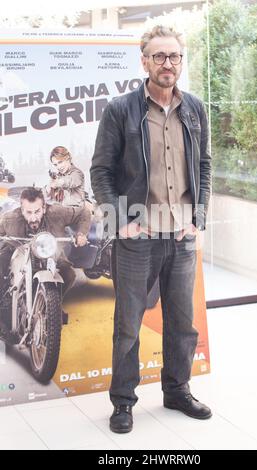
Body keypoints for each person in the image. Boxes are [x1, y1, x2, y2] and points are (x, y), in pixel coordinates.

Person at [90, 25, 212, 434]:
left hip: (181, 238)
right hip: (137, 240)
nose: (167, 64)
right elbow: (101, 171)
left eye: (174, 56)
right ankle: (123, 401)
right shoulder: (121, 109)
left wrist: (199, 217)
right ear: (144, 61)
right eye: (158, 56)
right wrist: (120, 221)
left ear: (181, 61)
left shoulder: (195, 109)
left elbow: (205, 166)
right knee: (128, 325)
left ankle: (177, 391)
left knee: (183, 323)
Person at [0, 187, 91, 305]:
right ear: (22, 210)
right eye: (28, 212)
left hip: (50, 250)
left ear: (44, 208)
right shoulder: (9, 219)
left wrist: (81, 234)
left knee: (68, 275)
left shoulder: (57, 212)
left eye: (37, 211)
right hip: (16, 250)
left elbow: (83, 213)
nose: (33, 218)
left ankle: (52, 305)